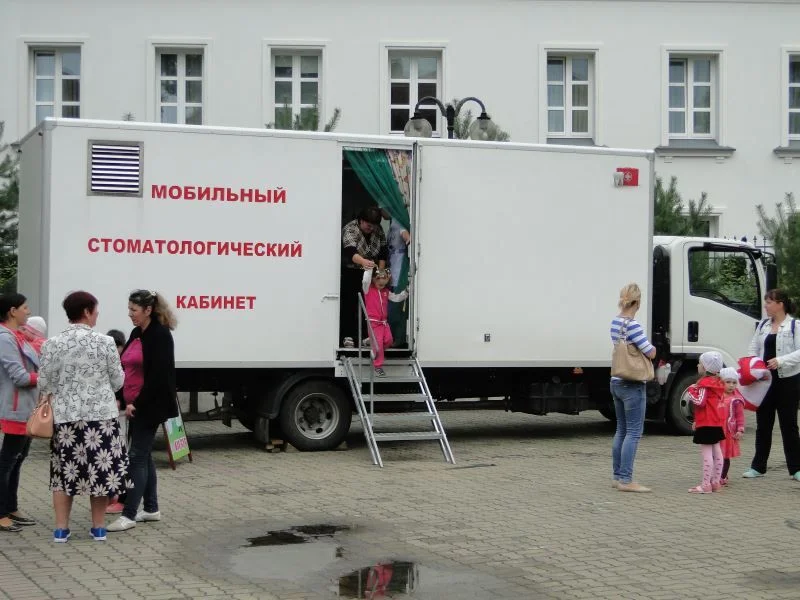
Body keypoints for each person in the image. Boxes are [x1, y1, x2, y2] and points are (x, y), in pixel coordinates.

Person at [38, 291, 128, 542]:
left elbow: (44, 384)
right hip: (101, 418)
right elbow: (118, 381)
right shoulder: (106, 342)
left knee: (63, 473)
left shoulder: (51, 344)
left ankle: (61, 529)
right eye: (95, 310)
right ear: (87, 311)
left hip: (65, 418)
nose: (97, 314)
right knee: (100, 472)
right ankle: (98, 528)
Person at [108, 290, 178, 532]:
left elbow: (159, 376)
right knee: (144, 455)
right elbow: (125, 366)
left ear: (148, 310)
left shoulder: (160, 335)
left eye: (134, 310)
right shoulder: (137, 333)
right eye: (129, 309)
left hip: (150, 406)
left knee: (136, 456)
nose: (130, 314)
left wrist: (137, 403)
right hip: (134, 405)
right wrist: (120, 397)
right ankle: (151, 509)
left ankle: (128, 514)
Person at [743, 289, 800, 480]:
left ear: (780, 304)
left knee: (789, 425)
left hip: (788, 381)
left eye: (769, 302)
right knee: (763, 424)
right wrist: (752, 365)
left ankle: (796, 468)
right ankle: (758, 466)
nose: (765, 305)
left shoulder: (794, 325)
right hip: (765, 383)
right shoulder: (763, 325)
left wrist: (781, 361)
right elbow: (753, 348)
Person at [610, 283, 656, 493]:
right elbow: (649, 351)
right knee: (634, 432)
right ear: (637, 302)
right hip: (632, 384)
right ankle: (626, 480)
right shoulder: (633, 326)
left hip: (616, 380)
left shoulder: (615, 322)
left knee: (621, 430)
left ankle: (617, 476)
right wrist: (654, 349)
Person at [0, 293, 39, 533]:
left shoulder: (18, 335)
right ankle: (1, 513)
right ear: (12, 311)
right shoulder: (5, 338)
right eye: (25, 307)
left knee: (17, 459)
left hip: (26, 409)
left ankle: (11, 506)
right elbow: (20, 377)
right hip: (15, 409)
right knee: (7, 461)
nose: (29, 312)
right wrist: (44, 377)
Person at [341, 207, 388, 348]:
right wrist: (363, 262)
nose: (371, 228)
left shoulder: (378, 229)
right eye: (368, 225)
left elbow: (383, 252)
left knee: (369, 304)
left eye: (373, 226)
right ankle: (348, 336)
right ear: (361, 221)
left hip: (370, 272)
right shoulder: (350, 229)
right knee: (350, 304)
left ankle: (366, 336)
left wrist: (380, 272)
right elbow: (350, 252)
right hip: (352, 270)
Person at [685, 352, 727, 493]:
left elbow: (700, 402)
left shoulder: (704, 384)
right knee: (717, 451)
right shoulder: (719, 383)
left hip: (706, 422)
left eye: (700, 363)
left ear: (705, 367)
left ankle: (705, 485)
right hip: (716, 421)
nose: (698, 365)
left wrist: (691, 390)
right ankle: (715, 482)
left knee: (707, 454)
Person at [361, 268, 408, 377]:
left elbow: (396, 298)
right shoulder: (368, 289)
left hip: (384, 323)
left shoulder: (386, 292)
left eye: (384, 281)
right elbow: (365, 280)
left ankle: (370, 341)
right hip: (373, 322)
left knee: (389, 340)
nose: (381, 283)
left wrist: (406, 292)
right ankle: (378, 366)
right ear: (374, 279)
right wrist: (369, 269)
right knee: (378, 345)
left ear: (387, 280)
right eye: (378, 280)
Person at [105, 328, 128, 515]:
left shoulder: (124, 362)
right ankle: (111, 494)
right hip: (107, 413)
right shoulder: (107, 359)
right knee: (109, 456)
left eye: (117, 347)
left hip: (120, 414)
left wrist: (121, 400)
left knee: (120, 454)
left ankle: (121, 497)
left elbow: (123, 384)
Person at [719, 367, 745, 486]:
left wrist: (740, 429)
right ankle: (716, 473)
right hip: (717, 429)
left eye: (734, 382)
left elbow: (740, 416)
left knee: (725, 455)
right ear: (721, 382)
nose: (731, 385)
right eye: (728, 382)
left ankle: (723, 476)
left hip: (728, 432)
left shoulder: (736, 400)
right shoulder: (717, 396)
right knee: (716, 454)